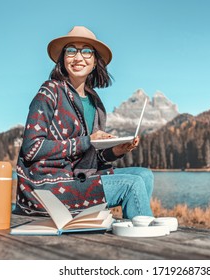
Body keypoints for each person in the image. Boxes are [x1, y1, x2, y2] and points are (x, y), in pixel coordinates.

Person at [15, 26, 153, 219]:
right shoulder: (50, 91)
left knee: (144, 175)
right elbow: (32, 148)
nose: (78, 57)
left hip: (78, 177)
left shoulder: (95, 103)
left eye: (86, 51)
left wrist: (116, 151)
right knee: (132, 184)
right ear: (63, 58)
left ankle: (136, 229)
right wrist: (88, 140)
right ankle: (143, 239)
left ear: (95, 61)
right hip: (45, 188)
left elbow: (87, 160)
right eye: (71, 50)